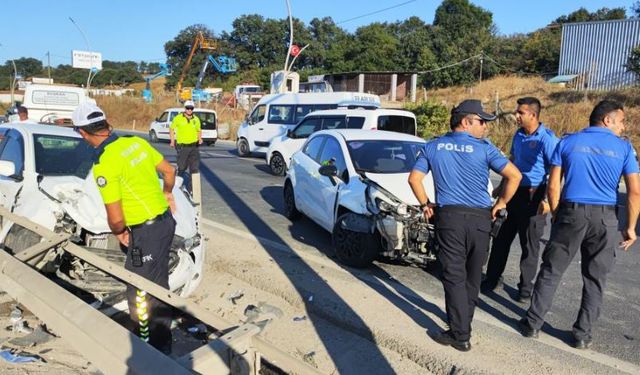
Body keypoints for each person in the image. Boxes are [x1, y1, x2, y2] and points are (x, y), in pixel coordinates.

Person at [519, 100, 640, 349]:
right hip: (605, 218)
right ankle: (582, 335)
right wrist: (630, 227)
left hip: (571, 213)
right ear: (607, 120)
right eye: (621, 121)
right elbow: (635, 192)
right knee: (595, 278)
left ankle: (533, 324)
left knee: (552, 270)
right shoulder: (625, 149)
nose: (623, 126)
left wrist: (556, 213)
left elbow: (553, 185)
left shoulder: (568, 142)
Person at [408, 99, 522, 351]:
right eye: (481, 122)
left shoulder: (433, 146)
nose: (485, 127)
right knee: (472, 275)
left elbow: (414, 179)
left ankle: (460, 334)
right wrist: (500, 204)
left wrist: (427, 203)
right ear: (466, 121)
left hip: (450, 218)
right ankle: (463, 323)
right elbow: (515, 175)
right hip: (481, 219)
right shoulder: (485, 148)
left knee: (454, 276)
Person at [72, 102, 177, 354]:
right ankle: (163, 338)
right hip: (165, 224)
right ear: (105, 124)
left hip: (146, 232)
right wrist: (167, 193)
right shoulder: (136, 143)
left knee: (138, 289)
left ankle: (150, 346)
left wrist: (119, 231)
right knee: (158, 281)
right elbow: (169, 171)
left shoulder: (105, 163)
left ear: (83, 133)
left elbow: (116, 218)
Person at [482, 97, 559, 303]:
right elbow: (513, 161)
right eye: (517, 112)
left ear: (533, 115)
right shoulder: (518, 135)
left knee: (529, 245)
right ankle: (492, 279)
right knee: (500, 238)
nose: (516, 116)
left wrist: (547, 201)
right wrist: (500, 188)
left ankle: (525, 289)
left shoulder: (548, 139)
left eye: (521, 113)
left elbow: (556, 170)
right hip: (513, 192)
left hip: (534, 195)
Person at [169, 100, 202, 193]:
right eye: (188, 108)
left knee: (194, 169)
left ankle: (192, 190)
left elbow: (199, 130)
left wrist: (200, 138)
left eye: (191, 108)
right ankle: (176, 188)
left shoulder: (196, 119)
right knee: (182, 168)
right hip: (183, 147)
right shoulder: (178, 118)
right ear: (185, 108)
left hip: (194, 147)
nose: (189, 110)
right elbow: (171, 129)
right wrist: (172, 141)